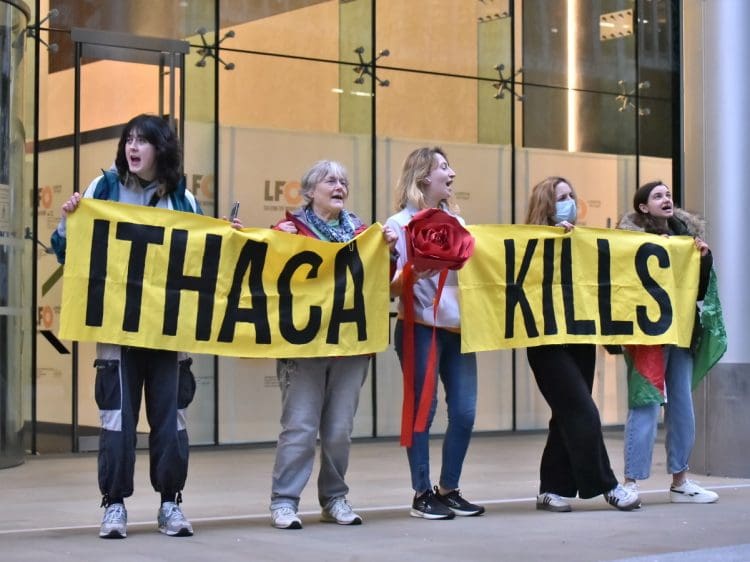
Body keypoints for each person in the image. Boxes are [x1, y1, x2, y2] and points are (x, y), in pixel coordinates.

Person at [50, 114, 237, 539]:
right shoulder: (104, 189)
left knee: (171, 422)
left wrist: (227, 239)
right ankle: (113, 504)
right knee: (117, 419)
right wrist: (67, 223)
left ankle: (170, 503)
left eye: (143, 141)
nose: (133, 148)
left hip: (169, 334)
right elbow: (67, 252)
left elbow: (203, 261)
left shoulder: (184, 199)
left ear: (162, 148)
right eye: (129, 140)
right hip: (117, 331)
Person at [269, 160, 398, 530]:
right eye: (330, 180)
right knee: (300, 428)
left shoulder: (362, 234)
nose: (339, 185)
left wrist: (387, 253)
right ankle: (284, 501)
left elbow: (380, 284)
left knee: (339, 429)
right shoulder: (288, 230)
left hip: (350, 348)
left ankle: (335, 498)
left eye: (343, 180)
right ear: (310, 192)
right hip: (304, 348)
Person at [524, 176, 641, 513]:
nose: (570, 200)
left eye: (572, 194)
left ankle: (550, 489)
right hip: (545, 341)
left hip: (580, 336)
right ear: (547, 204)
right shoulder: (528, 241)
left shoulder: (584, 241)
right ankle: (608, 485)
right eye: (562, 196)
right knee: (583, 410)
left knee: (565, 414)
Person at [386, 147, 484, 520]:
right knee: (422, 410)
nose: (452, 173)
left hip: (459, 329)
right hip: (419, 328)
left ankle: (449, 488)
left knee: (464, 411)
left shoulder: (459, 223)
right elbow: (390, 288)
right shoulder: (397, 225)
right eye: (445, 167)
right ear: (424, 176)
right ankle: (422, 492)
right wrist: (413, 273)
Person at [617, 180, 718, 505]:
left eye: (668, 194)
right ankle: (631, 481)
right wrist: (650, 248)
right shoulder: (629, 241)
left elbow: (699, 289)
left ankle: (680, 480)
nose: (666, 199)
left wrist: (702, 258)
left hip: (682, 330)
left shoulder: (686, 236)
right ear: (643, 207)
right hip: (648, 334)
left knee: (682, 406)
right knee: (645, 403)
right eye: (657, 195)